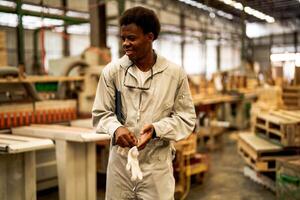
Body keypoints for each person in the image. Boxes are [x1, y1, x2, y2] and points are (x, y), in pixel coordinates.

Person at [92, 6, 196, 200]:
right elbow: (101, 113)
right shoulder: (112, 72)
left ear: (150, 37)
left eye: (131, 38)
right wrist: (116, 129)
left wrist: (156, 130)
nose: (125, 44)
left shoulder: (174, 74)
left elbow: (186, 118)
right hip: (121, 167)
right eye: (123, 38)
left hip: (156, 168)